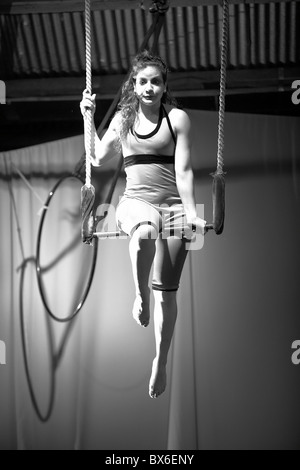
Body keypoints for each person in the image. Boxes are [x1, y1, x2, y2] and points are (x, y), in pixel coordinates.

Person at [80, 51, 206, 399]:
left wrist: (191, 212)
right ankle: (139, 295)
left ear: (164, 86)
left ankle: (160, 360)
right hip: (134, 203)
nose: (149, 87)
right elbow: (96, 157)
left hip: (173, 206)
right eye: (143, 81)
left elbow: (183, 171)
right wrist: (87, 117)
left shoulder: (177, 119)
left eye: (156, 81)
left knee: (168, 293)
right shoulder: (123, 119)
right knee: (147, 229)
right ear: (133, 86)